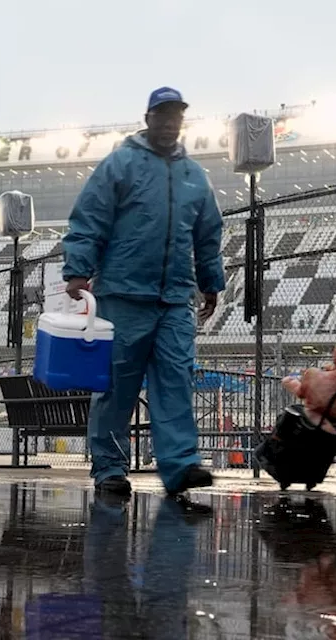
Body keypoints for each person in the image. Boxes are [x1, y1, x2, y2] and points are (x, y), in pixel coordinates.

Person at [61, 86, 225, 505]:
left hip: (173, 299)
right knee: (117, 387)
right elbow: (90, 217)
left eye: (177, 116)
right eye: (163, 115)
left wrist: (211, 281)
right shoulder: (121, 164)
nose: (170, 123)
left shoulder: (194, 176)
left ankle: (180, 465)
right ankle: (110, 469)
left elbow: (208, 234)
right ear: (148, 118)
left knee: (175, 379)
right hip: (122, 294)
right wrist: (78, 271)